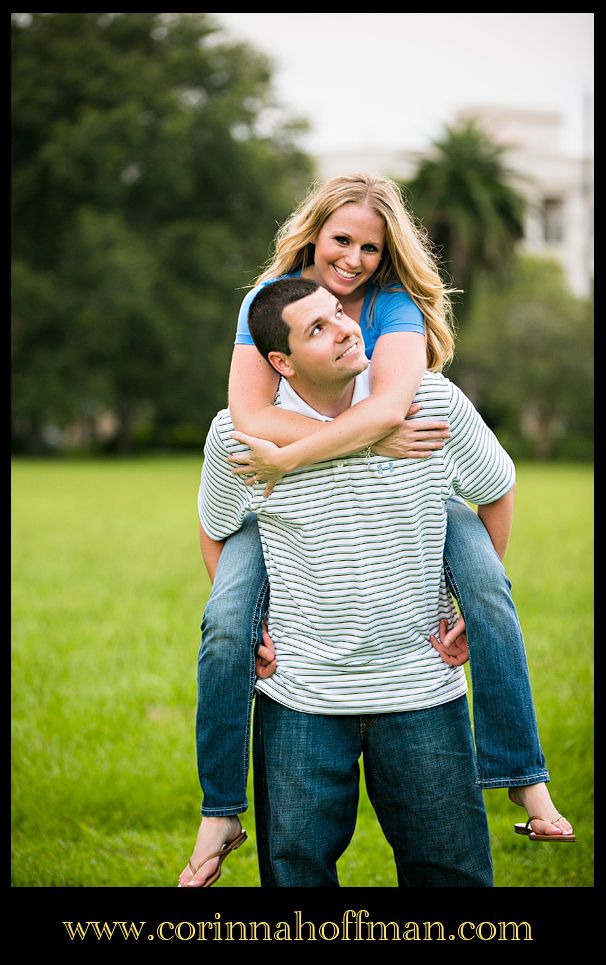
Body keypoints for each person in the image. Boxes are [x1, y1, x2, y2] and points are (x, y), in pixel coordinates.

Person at [179, 175, 573, 888]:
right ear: (312, 236)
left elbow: (400, 404)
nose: (355, 260)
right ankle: (219, 807)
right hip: (304, 689)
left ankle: (524, 774)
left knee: (484, 583)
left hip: (418, 677)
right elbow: (245, 421)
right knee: (229, 621)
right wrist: (261, 617)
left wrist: (319, 449)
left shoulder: (401, 330)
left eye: (371, 247)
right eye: (342, 240)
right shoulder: (267, 305)